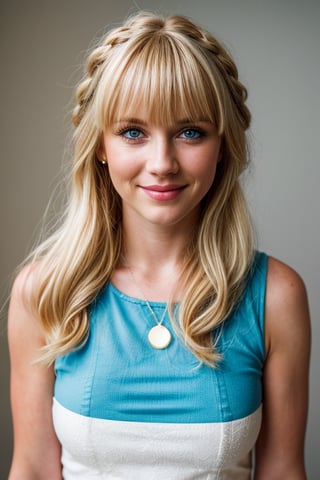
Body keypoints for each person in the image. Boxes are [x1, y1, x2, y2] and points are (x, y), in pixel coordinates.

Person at [8, 11, 311, 480]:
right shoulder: (43, 293)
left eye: (190, 132)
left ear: (223, 144)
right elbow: (30, 468)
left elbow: (283, 471)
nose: (162, 162)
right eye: (133, 132)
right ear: (101, 145)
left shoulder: (275, 297)